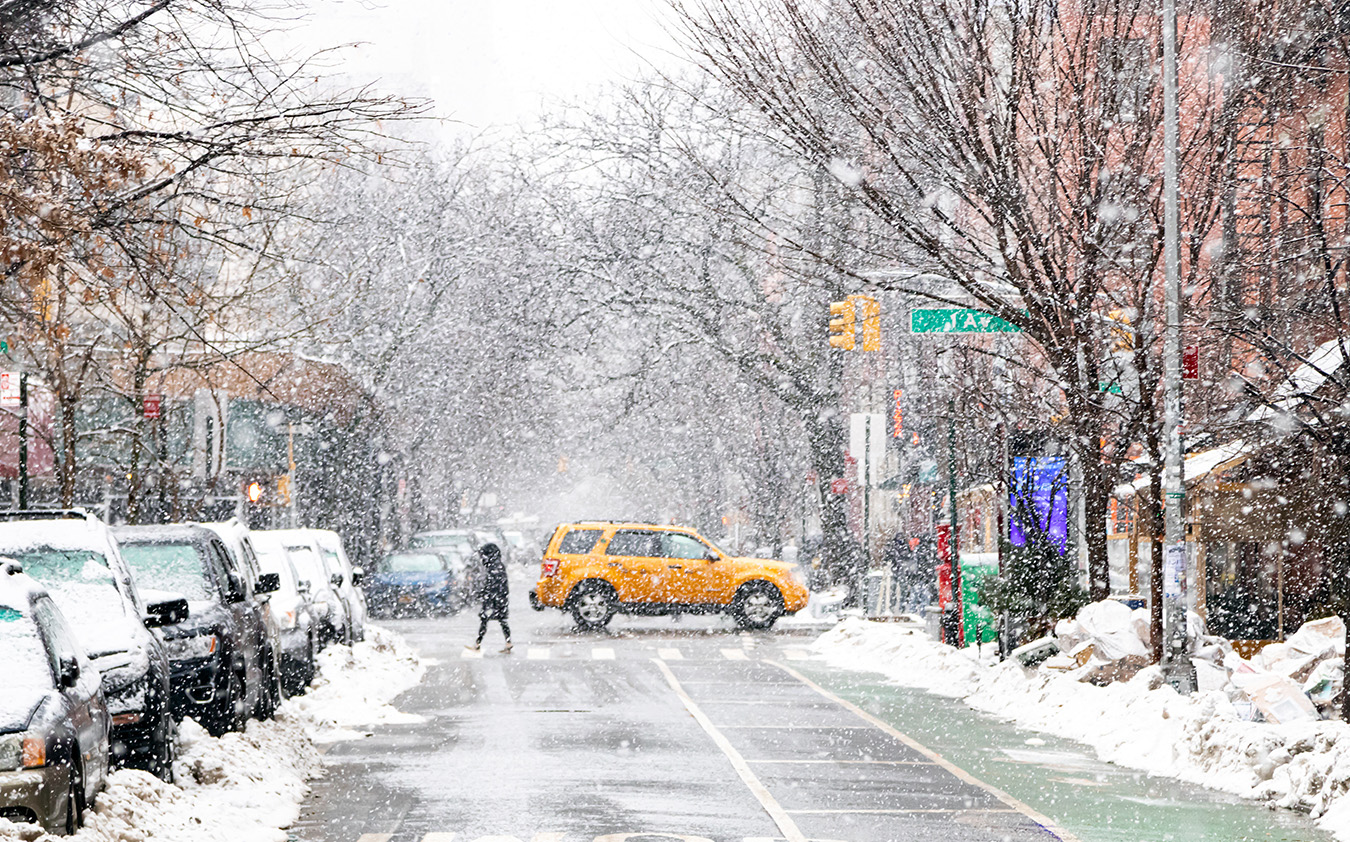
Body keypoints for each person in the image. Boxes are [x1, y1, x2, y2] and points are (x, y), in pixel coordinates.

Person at [467, 543, 512, 653]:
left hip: (493, 598)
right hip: (499, 597)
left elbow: (491, 584)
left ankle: (478, 644)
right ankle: (508, 642)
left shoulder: (493, 567)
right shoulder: (498, 565)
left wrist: (483, 594)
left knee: (485, 620)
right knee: (501, 620)